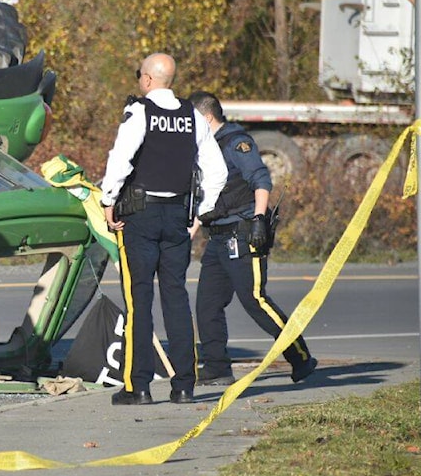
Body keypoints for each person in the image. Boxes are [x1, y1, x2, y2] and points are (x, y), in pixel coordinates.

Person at [100, 53, 227, 406]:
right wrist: (200, 213)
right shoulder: (193, 116)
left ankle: (137, 387)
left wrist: (108, 198)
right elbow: (216, 172)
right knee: (176, 299)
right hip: (177, 218)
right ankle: (184, 386)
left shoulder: (139, 112)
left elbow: (120, 158)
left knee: (138, 300)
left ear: (147, 80)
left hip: (138, 217)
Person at [188, 91, 318, 386]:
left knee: (255, 300)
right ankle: (217, 367)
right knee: (207, 305)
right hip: (218, 237)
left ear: (207, 118)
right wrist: (190, 234)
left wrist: (259, 219)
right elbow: (205, 198)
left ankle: (300, 357)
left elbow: (261, 180)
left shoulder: (236, 142)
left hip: (243, 231)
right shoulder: (206, 148)